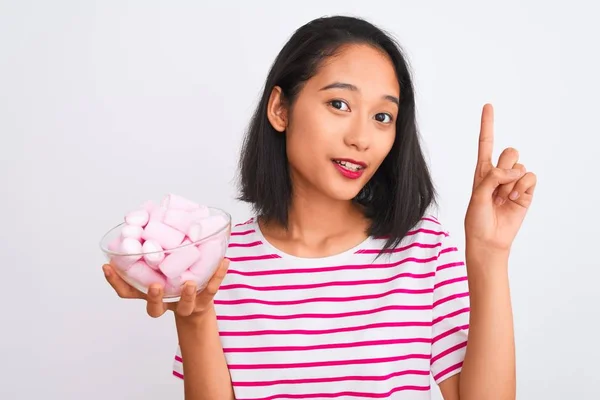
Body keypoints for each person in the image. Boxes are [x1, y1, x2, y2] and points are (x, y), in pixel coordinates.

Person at [102, 15, 536, 400]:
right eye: (339, 104)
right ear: (280, 109)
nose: (362, 138)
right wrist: (194, 317)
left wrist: (489, 255)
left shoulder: (421, 250)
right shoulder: (218, 261)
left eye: (383, 117)